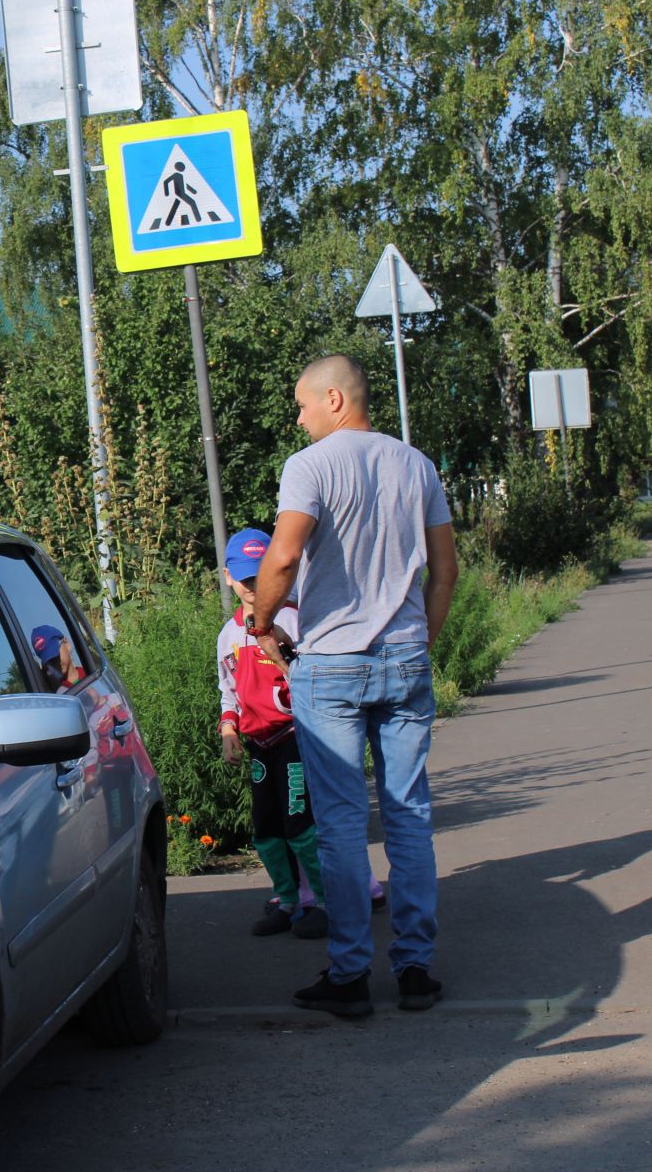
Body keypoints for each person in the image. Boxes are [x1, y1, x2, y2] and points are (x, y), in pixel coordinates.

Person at [249, 354, 458, 1018]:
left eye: (303, 404)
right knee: (408, 813)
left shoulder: (309, 468)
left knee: (339, 824)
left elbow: (282, 555)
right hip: (403, 658)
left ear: (335, 400)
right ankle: (416, 969)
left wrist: (261, 622)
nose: (299, 415)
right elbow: (445, 567)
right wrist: (423, 636)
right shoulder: (416, 465)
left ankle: (348, 976)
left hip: (332, 665)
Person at [216, 528, 328, 940]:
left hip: (295, 737)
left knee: (300, 823)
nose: (251, 587)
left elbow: (314, 678)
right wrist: (229, 728)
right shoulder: (227, 636)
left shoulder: (296, 620)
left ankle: (323, 899)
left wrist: (281, 651)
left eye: (259, 576)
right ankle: (286, 898)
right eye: (244, 578)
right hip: (258, 743)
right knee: (265, 827)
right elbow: (228, 688)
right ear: (228, 576)